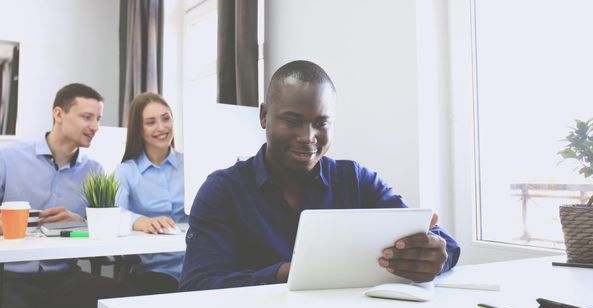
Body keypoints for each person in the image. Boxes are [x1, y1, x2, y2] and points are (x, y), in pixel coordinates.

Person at [180, 60, 460, 291]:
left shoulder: (356, 181)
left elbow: (444, 243)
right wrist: (284, 274)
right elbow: (197, 285)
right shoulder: (223, 190)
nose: (308, 137)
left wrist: (432, 255)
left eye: (320, 123)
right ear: (265, 116)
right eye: (293, 121)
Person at [0, 83, 132, 308]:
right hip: (11, 277)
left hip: (64, 277)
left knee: (125, 305)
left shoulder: (94, 171)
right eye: (87, 117)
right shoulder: (8, 158)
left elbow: (99, 232)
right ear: (59, 114)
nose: (95, 126)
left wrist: (78, 221)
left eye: (98, 119)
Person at [115, 92, 187, 295]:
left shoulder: (191, 165)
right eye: (151, 122)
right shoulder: (127, 171)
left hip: (198, 263)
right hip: (154, 270)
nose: (162, 128)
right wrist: (142, 221)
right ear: (139, 129)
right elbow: (114, 213)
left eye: (166, 118)